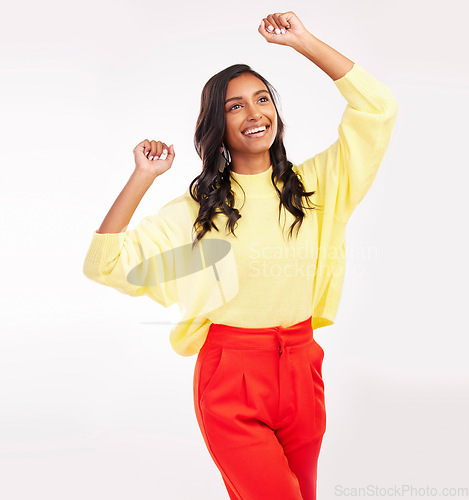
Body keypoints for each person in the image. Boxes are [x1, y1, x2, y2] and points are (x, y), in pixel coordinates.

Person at [83, 11, 398, 500]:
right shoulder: (197, 209)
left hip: (301, 367)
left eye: (263, 99)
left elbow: (378, 108)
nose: (255, 114)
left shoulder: (319, 183)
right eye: (235, 107)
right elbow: (102, 263)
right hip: (231, 375)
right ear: (216, 125)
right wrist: (143, 176)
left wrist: (305, 43)